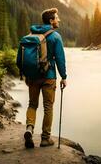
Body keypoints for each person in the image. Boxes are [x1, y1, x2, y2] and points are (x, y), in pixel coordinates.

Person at [23, 8, 67, 148]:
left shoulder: (32, 34)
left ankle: (29, 129)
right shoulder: (55, 36)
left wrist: (26, 73)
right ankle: (45, 138)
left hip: (33, 76)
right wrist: (64, 77)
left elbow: (23, 57)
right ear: (51, 21)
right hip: (49, 77)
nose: (58, 20)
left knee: (32, 104)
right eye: (56, 18)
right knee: (48, 107)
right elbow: (60, 59)